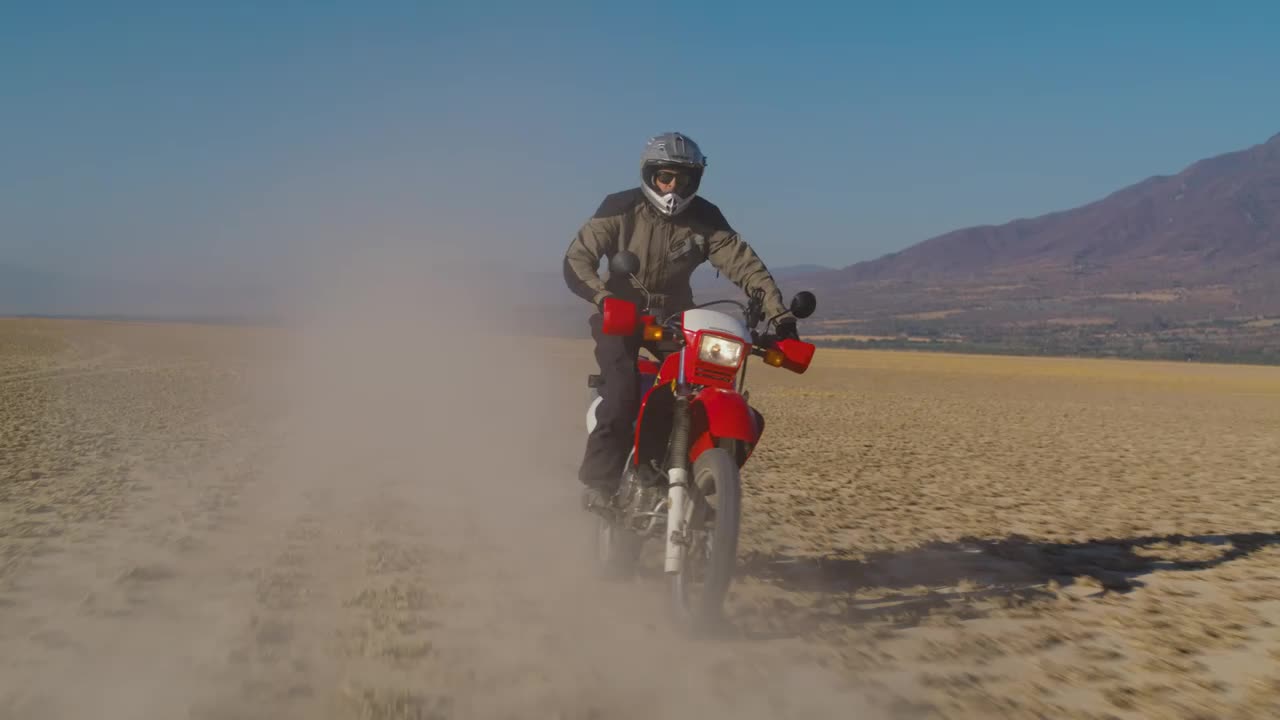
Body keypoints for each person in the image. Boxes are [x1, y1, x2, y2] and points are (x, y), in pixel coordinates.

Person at [563, 131, 800, 506]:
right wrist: (604, 298)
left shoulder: (707, 219)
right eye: (665, 177)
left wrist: (781, 317)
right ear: (650, 175)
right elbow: (578, 260)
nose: (673, 186)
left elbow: (746, 266)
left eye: (683, 179)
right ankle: (600, 485)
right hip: (621, 316)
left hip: (677, 318)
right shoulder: (619, 208)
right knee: (622, 394)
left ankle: (691, 475)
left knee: (706, 389)